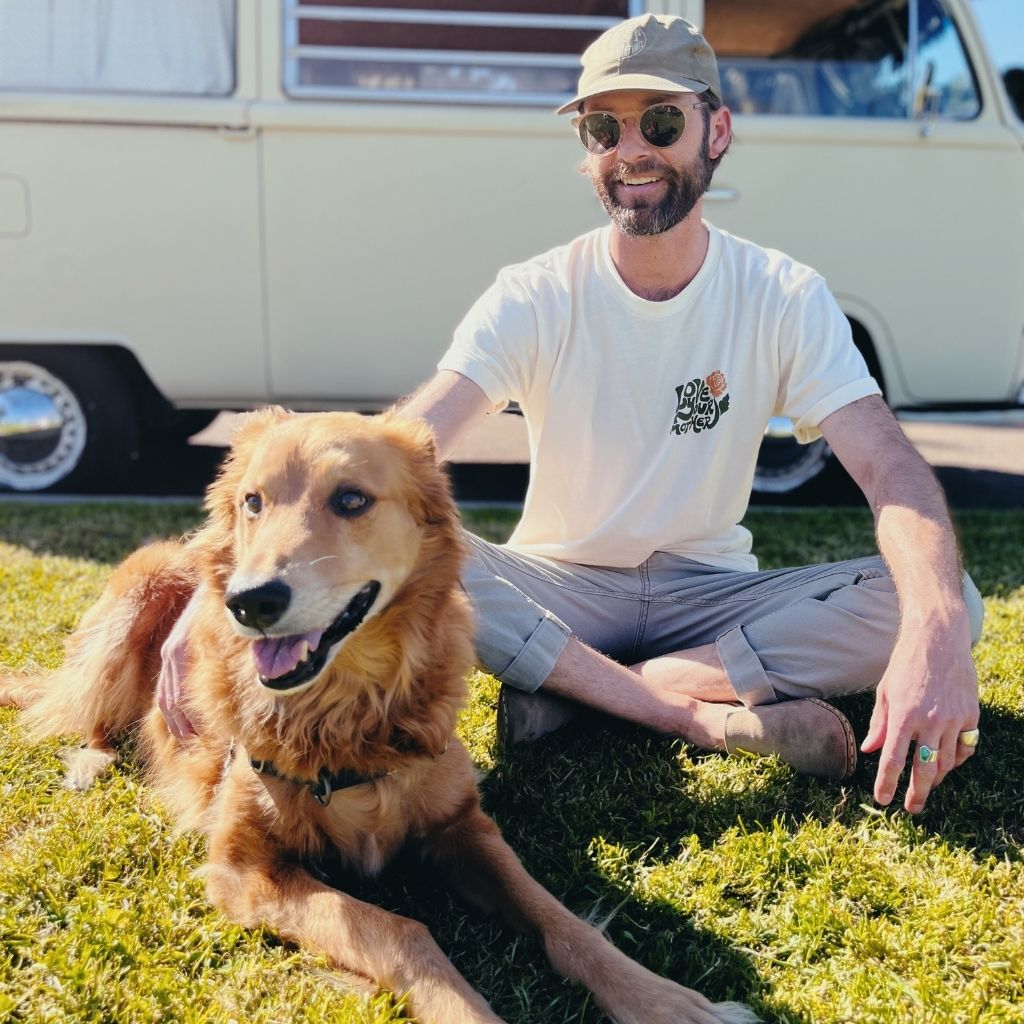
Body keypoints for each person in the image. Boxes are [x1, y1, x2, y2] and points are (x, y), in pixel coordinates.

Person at [159, 15, 983, 814]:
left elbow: (889, 469)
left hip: (710, 590)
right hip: (554, 586)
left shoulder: (782, 294)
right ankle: (678, 703)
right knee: (437, 561)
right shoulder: (535, 291)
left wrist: (937, 631)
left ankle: (597, 690)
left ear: (717, 131)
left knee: (952, 597)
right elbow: (401, 450)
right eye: (602, 129)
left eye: (660, 122)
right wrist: (230, 584)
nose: (631, 151)